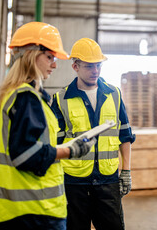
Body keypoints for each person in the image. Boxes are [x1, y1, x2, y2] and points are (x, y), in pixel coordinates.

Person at [0, 22, 96, 230]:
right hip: (35, 211)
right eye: (49, 57)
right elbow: (24, 155)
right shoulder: (26, 98)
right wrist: (68, 151)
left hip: (21, 210)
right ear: (30, 55)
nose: (54, 65)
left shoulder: (18, 95)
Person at [51, 38, 136, 230]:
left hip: (108, 180)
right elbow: (54, 145)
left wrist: (126, 171)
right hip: (74, 183)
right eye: (89, 66)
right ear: (75, 66)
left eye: (98, 65)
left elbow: (125, 135)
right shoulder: (61, 99)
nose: (95, 71)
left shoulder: (114, 94)